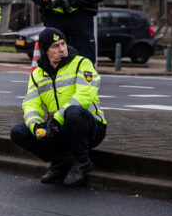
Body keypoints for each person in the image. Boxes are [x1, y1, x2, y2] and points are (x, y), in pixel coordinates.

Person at [10, 28, 107, 187]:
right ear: (45, 51)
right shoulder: (37, 74)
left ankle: (82, 163)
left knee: (74, 112)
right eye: (55, 46)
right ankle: (61, 161)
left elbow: (85, 95)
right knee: (18, 132)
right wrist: (35, 125)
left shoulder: (82, 64)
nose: (62, 49)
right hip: (60, 128)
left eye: (63, 44)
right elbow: (31, 103)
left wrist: (57, 119)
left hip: (91, 127)